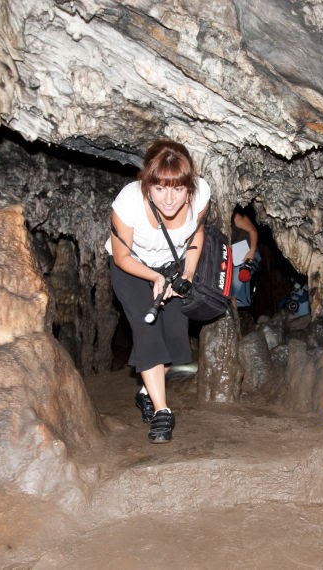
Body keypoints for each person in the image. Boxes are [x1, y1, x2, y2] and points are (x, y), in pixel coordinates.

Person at [105, 140, 210, 443]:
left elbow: (196, 235)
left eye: (177, 189)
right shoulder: (128, 203)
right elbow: (122, 256)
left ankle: (145, 391)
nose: (169, 198)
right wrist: (154, 279)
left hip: (173, 266)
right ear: (147, 183)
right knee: (147, 330)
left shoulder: (201, 193)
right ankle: (162, 413)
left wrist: (187, 275)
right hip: (133, 269)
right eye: (160, 188)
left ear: (189, 187)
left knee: (175, 341)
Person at [230, 206, 260, 309]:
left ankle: (233, 312)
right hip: (236, 257)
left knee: (236, 284)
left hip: (249, 253)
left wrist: (251, 252)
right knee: (229, 290)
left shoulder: (236, 217)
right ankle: (233, 315)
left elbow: (253, 231)